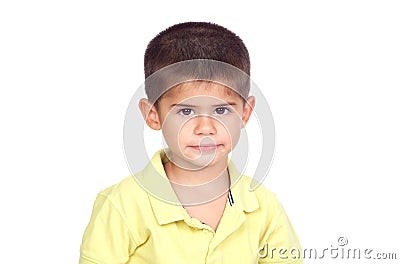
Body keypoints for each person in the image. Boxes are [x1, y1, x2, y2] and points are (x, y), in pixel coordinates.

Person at [79, 22, 302, 264]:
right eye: (186, 112)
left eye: (221, 110)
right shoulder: (122, 204)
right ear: (152, 114)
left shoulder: (263, 206)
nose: (205, 127)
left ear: (245, 114)